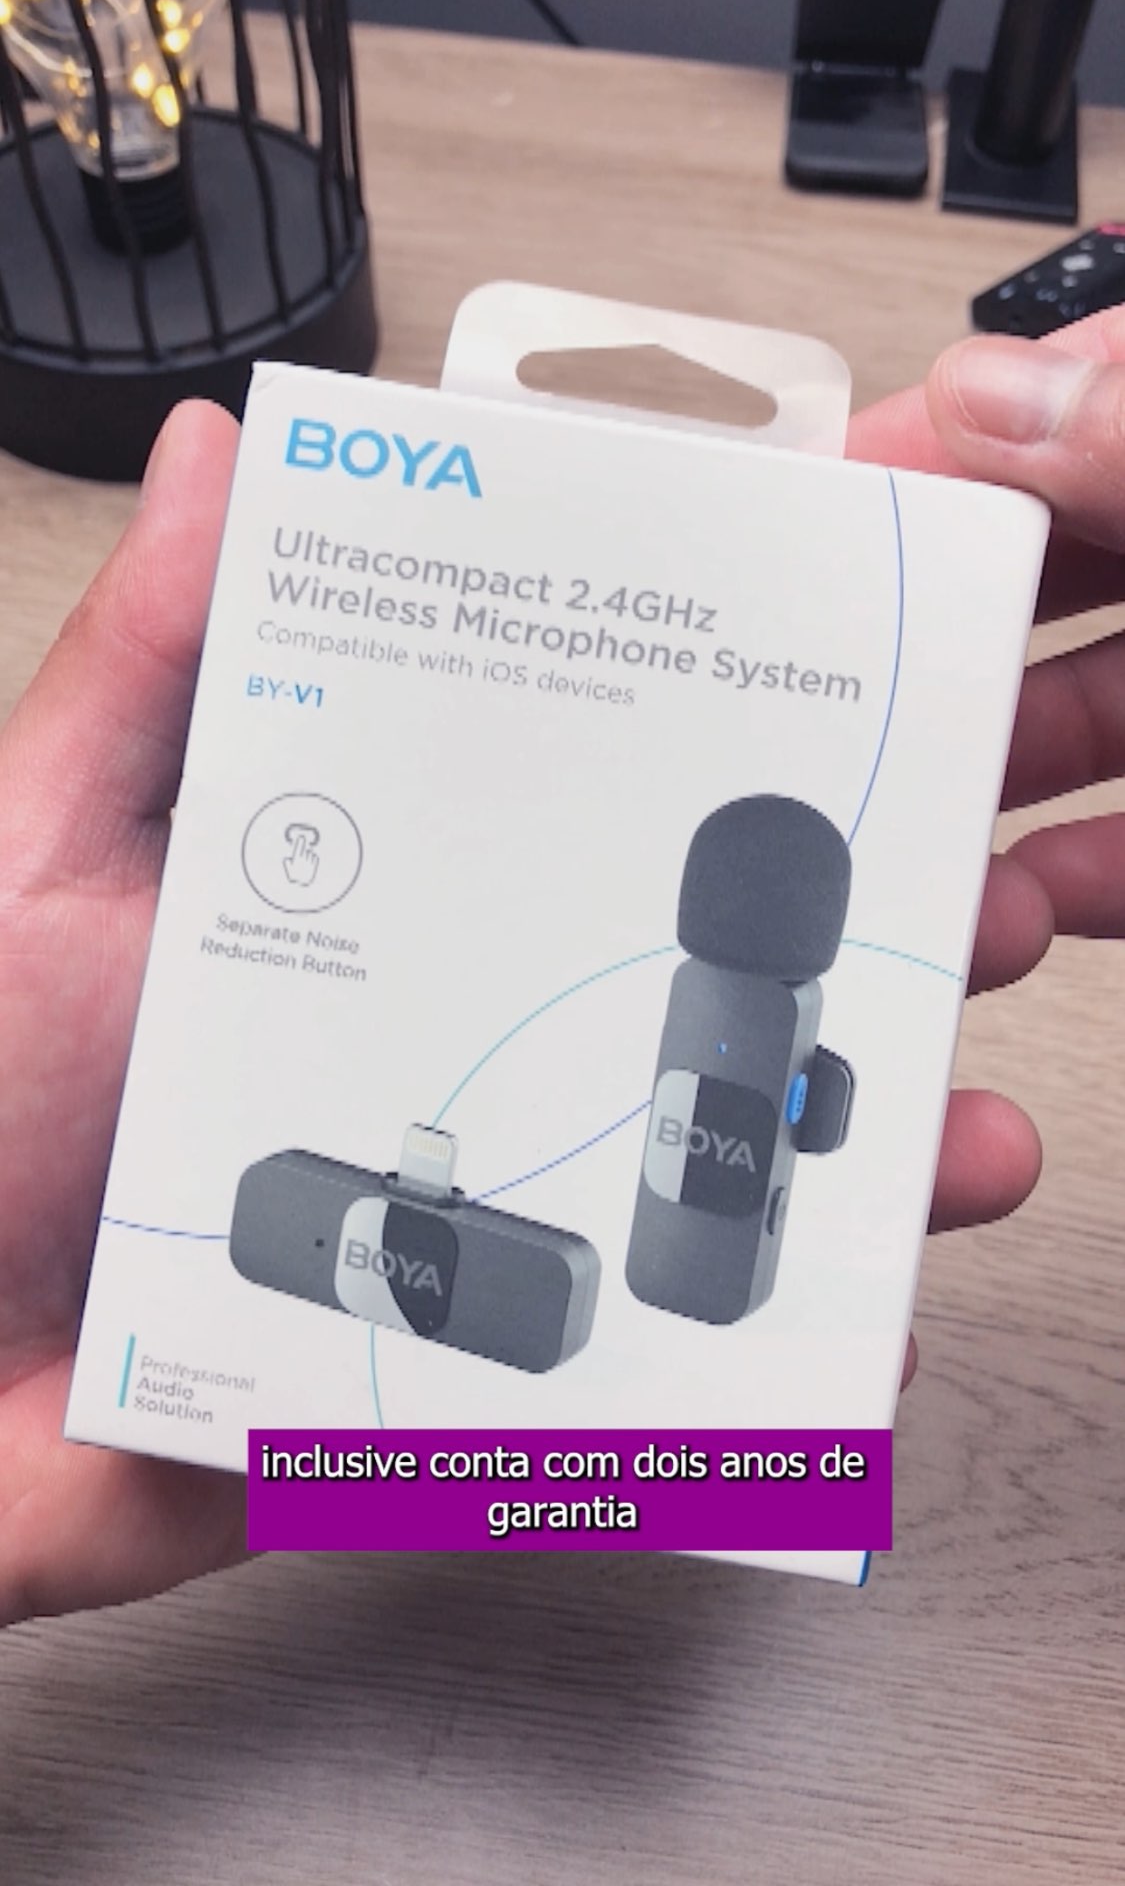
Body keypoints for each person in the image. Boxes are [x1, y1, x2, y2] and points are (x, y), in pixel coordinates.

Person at [3, 310, 1125, 1631]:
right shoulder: (715, 984)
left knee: (738, 1124)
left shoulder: (739, 988)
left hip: (680, 1182)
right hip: (605, 1165)